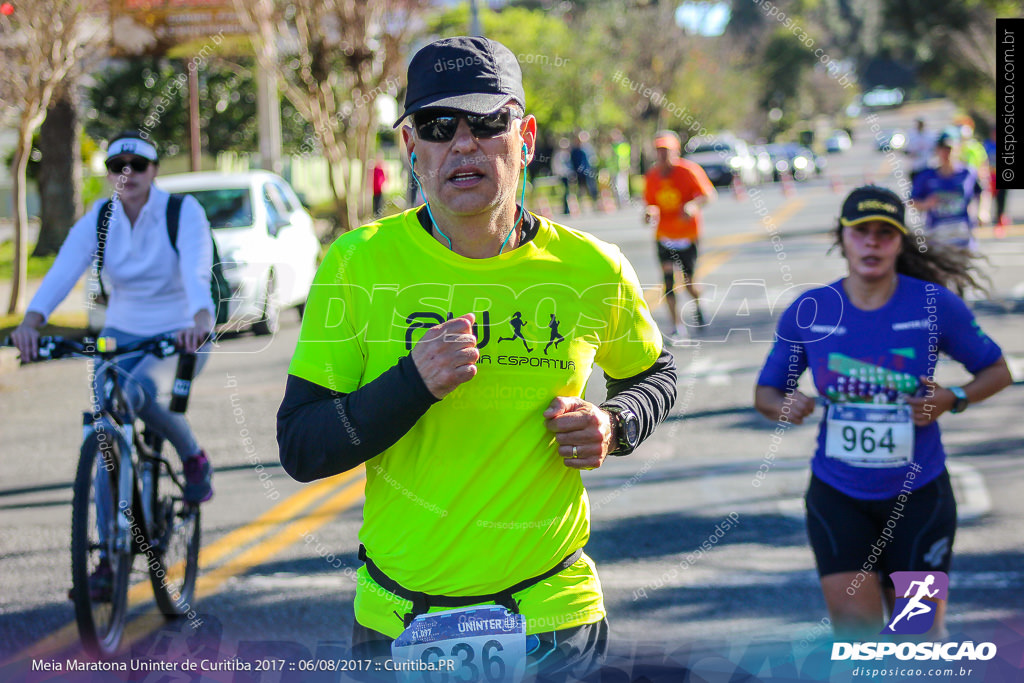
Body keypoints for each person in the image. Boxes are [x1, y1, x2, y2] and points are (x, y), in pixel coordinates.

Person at [277, 36, 677, 681]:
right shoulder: (357, 264)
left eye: (488, 122)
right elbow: (302, 445)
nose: (463, 143)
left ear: (525, 136)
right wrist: (412, 382)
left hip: (551, 612)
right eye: (438, 125)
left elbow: (655, 374)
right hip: (398, 620)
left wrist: (616, 420)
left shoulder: (591, 268)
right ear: (411, 147)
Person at [754, 185, 1012, 640]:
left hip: (919, 496)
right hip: (839, 496)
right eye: (861, 232)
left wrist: (953, 397)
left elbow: (996, 370)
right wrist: (785, 405)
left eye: (885, 233)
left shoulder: (933, 305)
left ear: (899, 242)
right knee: (858, 640)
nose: (872, 242)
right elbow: (767, 392)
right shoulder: (810, 311)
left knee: (917, 638)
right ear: (842, 238)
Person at [11, 132, 216, 590]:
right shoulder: (100, 219)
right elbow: (64, 268)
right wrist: (31, 321)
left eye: (137, 165)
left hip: (181, 332)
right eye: (117, 166)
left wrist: (200, 318)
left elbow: (196, 269)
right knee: (104, 431)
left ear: (154, 170)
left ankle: (193, 456)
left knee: (138, 393)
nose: (128, 174)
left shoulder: (182, 212)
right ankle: (108, 556)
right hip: (121, 334)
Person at [643, 130, 716, 340]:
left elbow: (709, 195)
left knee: (689, 283)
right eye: (659, 151)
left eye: (666, 150)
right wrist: (650, 213)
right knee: (668, 281)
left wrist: (693, 205)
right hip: (664, 235)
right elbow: (650, 204)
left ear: (676, 151)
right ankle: (676, 325)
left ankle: (698, 304)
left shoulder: (689, 170)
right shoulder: (652, 176)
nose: (662, 155)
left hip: (687, 235)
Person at [911, 130, 983, 252]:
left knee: (963, 268)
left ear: (957, 149)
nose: (947, 153)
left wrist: (982, 211)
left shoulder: (968, 173)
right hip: (938, 230)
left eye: (950, 148)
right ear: (937, 151)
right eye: (943, 149)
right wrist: (926, 204)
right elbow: (912, 201)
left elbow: (980, 192)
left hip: (962, 229)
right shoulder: (926, 176)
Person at [904, 119, 933, 184]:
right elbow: (906, 150)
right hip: (915, 168)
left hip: (927, 167)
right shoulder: (911, 135)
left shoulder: (930, 136)